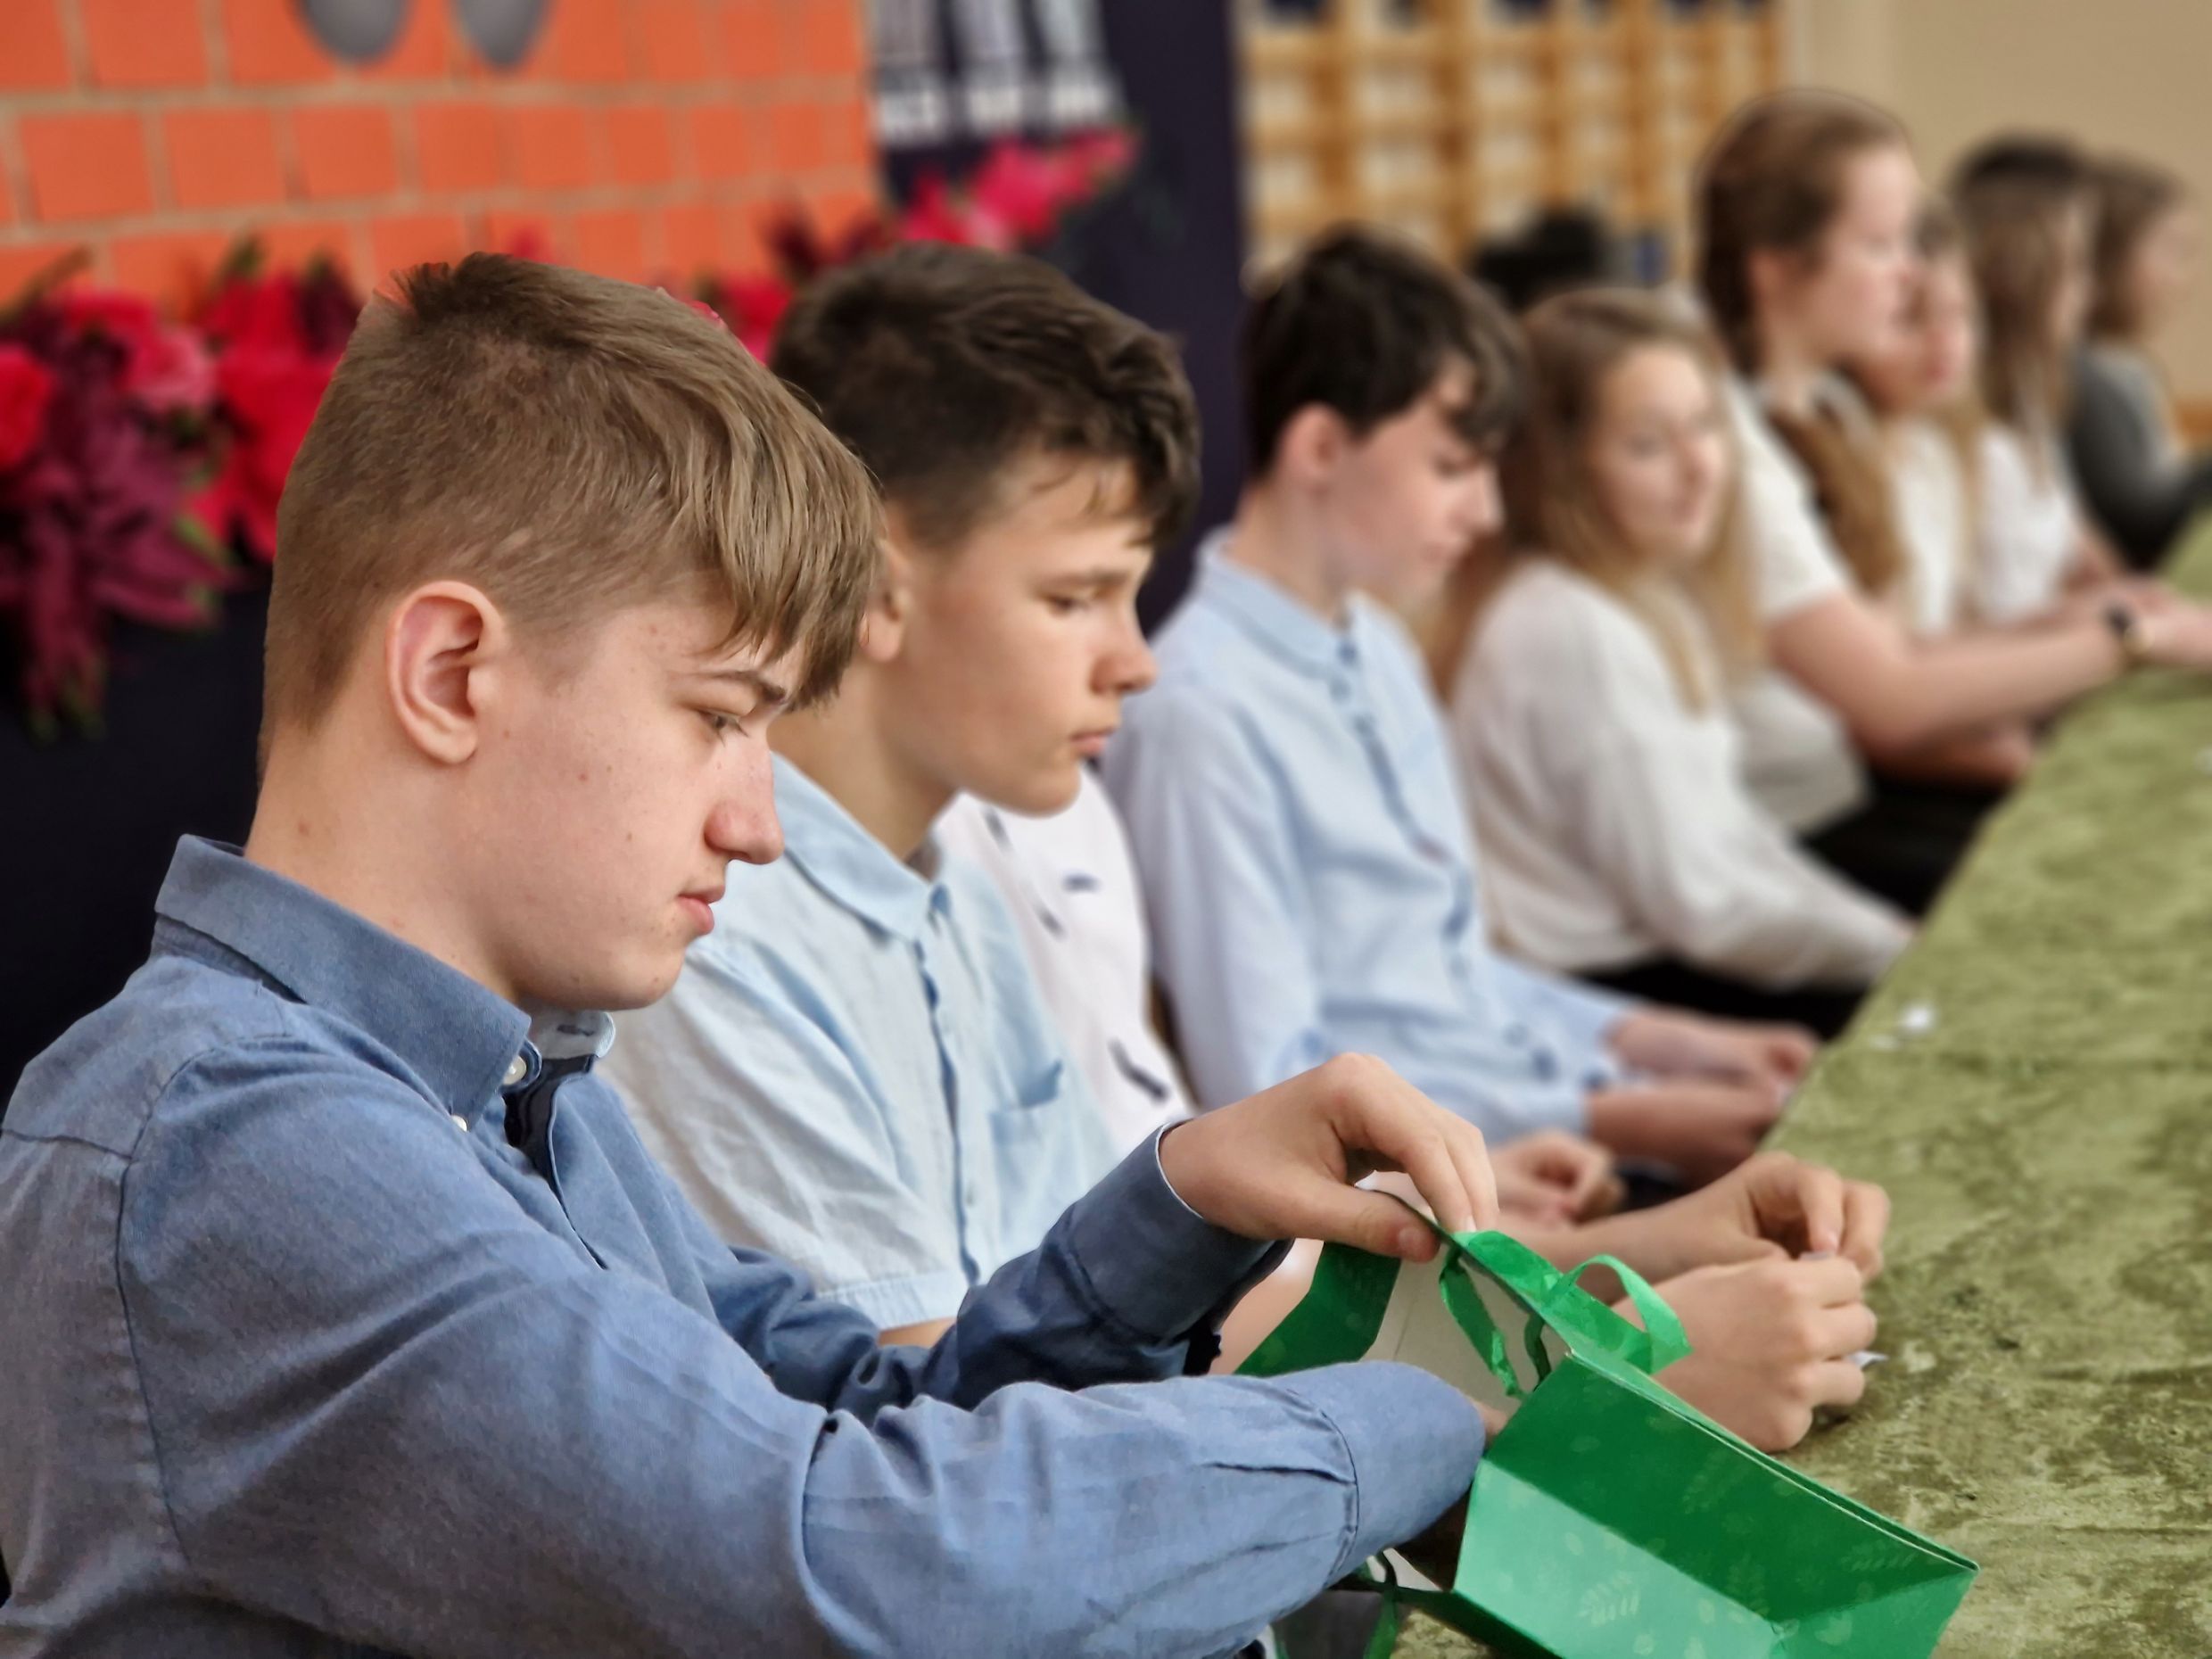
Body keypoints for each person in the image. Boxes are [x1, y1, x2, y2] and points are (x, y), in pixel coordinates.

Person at [0, 253, 1523, 1658]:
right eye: (718, 717)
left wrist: (1181, 1208)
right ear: (452, 673)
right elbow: (837, 1566)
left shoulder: (520, 1095)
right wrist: (1422, 1423)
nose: (761, 824)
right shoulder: (228, 1137)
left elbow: (878, 1423)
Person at [1107, 225, 1820, 1186]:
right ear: (1321, 446)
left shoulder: (1376, 642)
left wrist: (1660, 1041)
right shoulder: (1199, 717)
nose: (1484, 512)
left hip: (1529, 1116)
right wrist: (1616, 1115)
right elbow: (1269, 1089)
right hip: (1436, 1193)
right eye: (1451, 468)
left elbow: (1450, 979)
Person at [1693, 91, 2212, 916]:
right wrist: (2128, 639)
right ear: (1777, 267)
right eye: (1879, 245)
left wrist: (2069, 623)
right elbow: (1892, 701)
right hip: (1786, 835)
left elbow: (1900, 647)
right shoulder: (1729, 448)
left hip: (1840, 799)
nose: (1908, 272)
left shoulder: (1829, 409)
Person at [1442, 288, 1911, 1040]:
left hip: (1673, 960)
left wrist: (1883, 931)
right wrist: (1895, 951)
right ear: (1564, 468)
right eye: (1648, 445)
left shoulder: (1645, 595)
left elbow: (1739, 840)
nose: (1701, 468)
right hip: (1622, 996)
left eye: (1705, 426)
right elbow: (1705, 909)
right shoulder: (1574, 631)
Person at [1951, 135, 2125, 625]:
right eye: (2076, 269)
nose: (2092, 291)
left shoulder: (2032, 398)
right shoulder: (1967, 430)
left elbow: (2082, 553)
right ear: (2020, 281)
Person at [2069, 153, 2212, 566]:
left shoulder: (2132, 367)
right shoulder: (2079, 373)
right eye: (2169, 250)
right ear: (2107, 256)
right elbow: (2137, 515)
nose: (2179, 277)